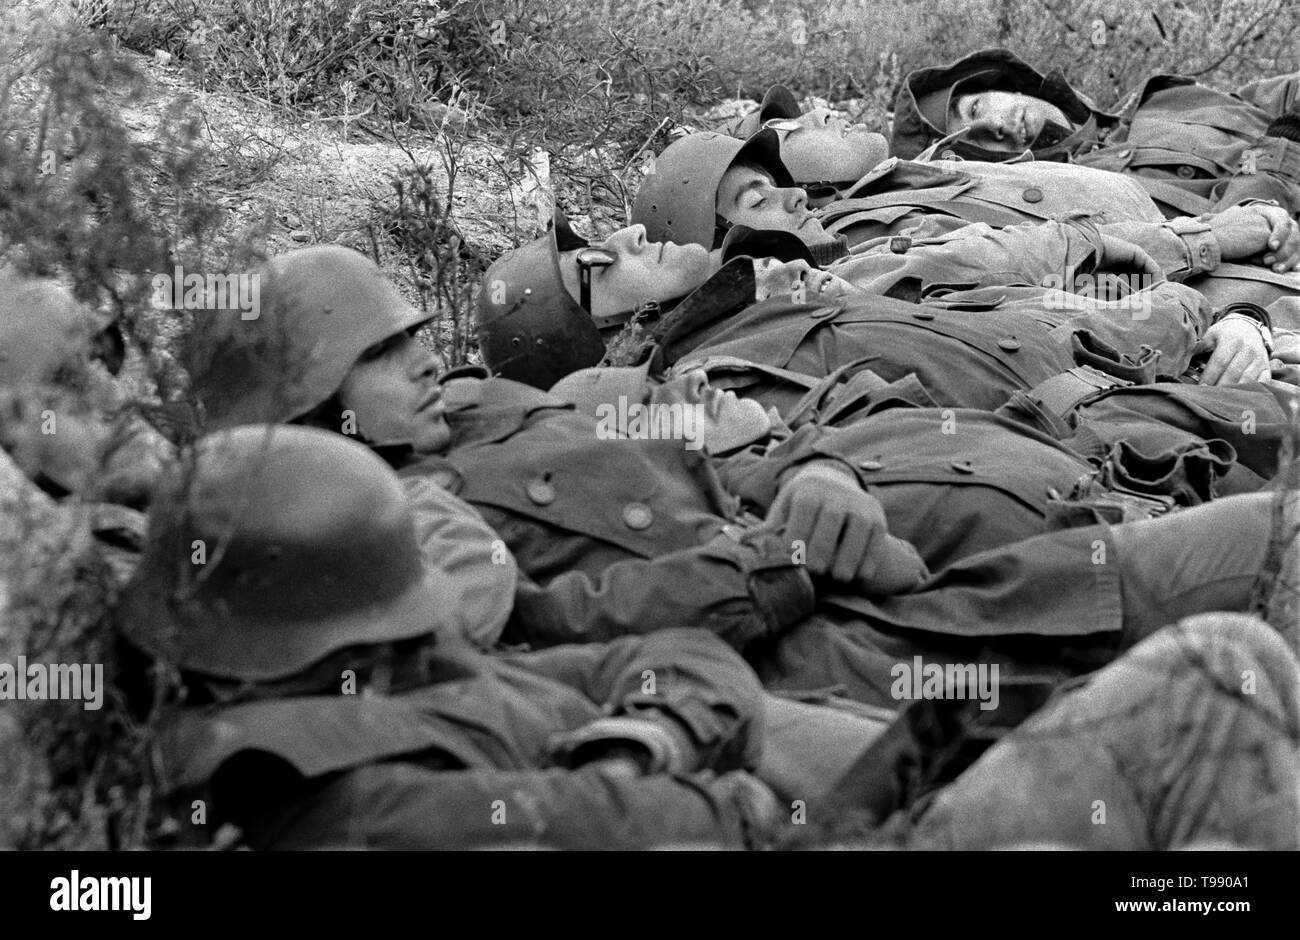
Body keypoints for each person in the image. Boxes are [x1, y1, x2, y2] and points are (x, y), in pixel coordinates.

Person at [116, 425, 780, 849]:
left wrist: (641, 742)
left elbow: (673, 655)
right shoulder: (298, 791)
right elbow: (711, 823)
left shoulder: (403, 669)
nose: (409, 640)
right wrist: (645, 773)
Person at [890, 47, 1300, 219]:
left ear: (1002, 83)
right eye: (972, 141)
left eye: (976, 108)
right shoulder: (1080, 209)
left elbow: (1287, 94)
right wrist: (1282, 152)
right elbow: (1237, 237)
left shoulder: (1165, 96)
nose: (994, 127)